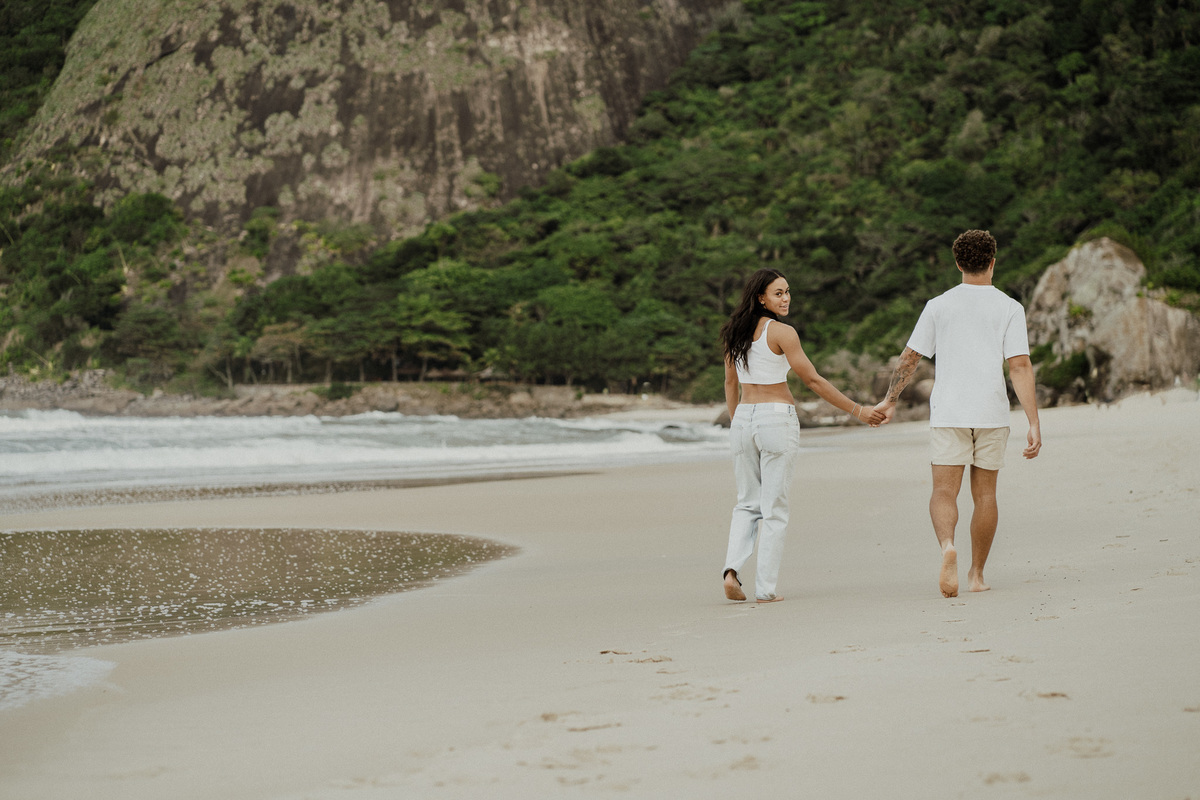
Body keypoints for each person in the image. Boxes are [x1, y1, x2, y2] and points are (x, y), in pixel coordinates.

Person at [873, 229, 1041, 598]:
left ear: (958, 263)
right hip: (992, 414)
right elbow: (1020, 366)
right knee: (985, 496)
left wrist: (890, 400)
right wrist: (1033, 421)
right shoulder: (1010, 307)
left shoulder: (939, 305)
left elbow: (910, 357)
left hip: (949, 412)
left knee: (944, 492)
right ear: (993, 263)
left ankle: (947, 545)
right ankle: (977, 575)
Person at [721, 268, 884, 603]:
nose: (786, 298)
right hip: (775, 419)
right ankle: (765, 589)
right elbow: (813, 380)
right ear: (760, 298)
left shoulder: (734, 333)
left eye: (787, 291)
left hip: (742, 421)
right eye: (778, 293)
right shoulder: (782, 333)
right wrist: (858, 410)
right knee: (774, 508)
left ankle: (731, 571)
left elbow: (730, 384)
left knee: (746, 504)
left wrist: (740, 423)